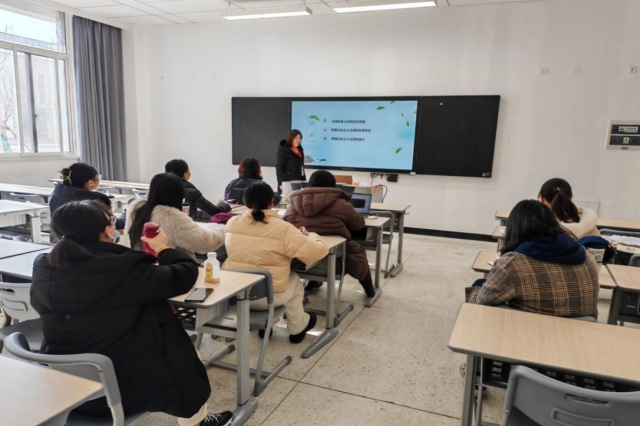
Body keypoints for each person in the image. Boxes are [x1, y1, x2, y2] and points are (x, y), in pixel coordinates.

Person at [30, 200, 233, 426]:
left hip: (65, 382)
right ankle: (196, 423)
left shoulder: (43, 267)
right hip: (122, 385)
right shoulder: (124, 268)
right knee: (186, 353)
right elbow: (184, 275)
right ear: (108, 230)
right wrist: (163, 248)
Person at [224, 182, 329, 343]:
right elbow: (316, 253)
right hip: (267, 298)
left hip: (234, 294)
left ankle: (268, 325)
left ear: (245, 202)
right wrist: (311, 235)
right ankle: (298, 328)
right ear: (272, 202)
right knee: (294, 281)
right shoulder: (284, 228)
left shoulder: (232, 222)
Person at [467, 199, 599, 318]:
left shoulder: (512, 264)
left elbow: (481, 301)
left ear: (515, 229)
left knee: (479, 286)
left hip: (531, 331)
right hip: (582, 333)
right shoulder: (587, 256)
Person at [283, 170, 377, 300]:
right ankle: (369, 289)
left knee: (313, 244)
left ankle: (313, 281)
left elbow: (285, 227)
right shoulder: (341, 204)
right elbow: (359, 224)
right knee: (356, 251)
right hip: (336, 262)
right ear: (333, 184)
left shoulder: (293, 205)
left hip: (302, 262)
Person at [126, 173, 224, 259]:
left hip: (140, 267)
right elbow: (205, 243)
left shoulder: (136, 209)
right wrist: (224, 229)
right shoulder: (172, 217)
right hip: (171, 269)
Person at [49, 162, 124, 229]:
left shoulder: (57, 193)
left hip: (60, 237)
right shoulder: (95, 200)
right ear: (90, 182)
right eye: (98, 177)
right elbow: (112, 224)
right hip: (87, 239)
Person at [165, 159, 231, 221]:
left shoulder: (162, 190)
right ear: (185, 174)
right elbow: (216, 212)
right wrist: (223, 204)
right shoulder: (192, 193)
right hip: (185, 226)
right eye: (188, 170)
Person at [275, 129, 306, 194]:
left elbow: (302, 167)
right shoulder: (283, 151)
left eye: (300, 138)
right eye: (296, 138)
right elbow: (279, 167)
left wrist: (304, 181)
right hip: (287, 182)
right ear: (290, 138)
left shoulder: (300, 150)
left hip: (299, 181)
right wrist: (281, 183)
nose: (298, 140)